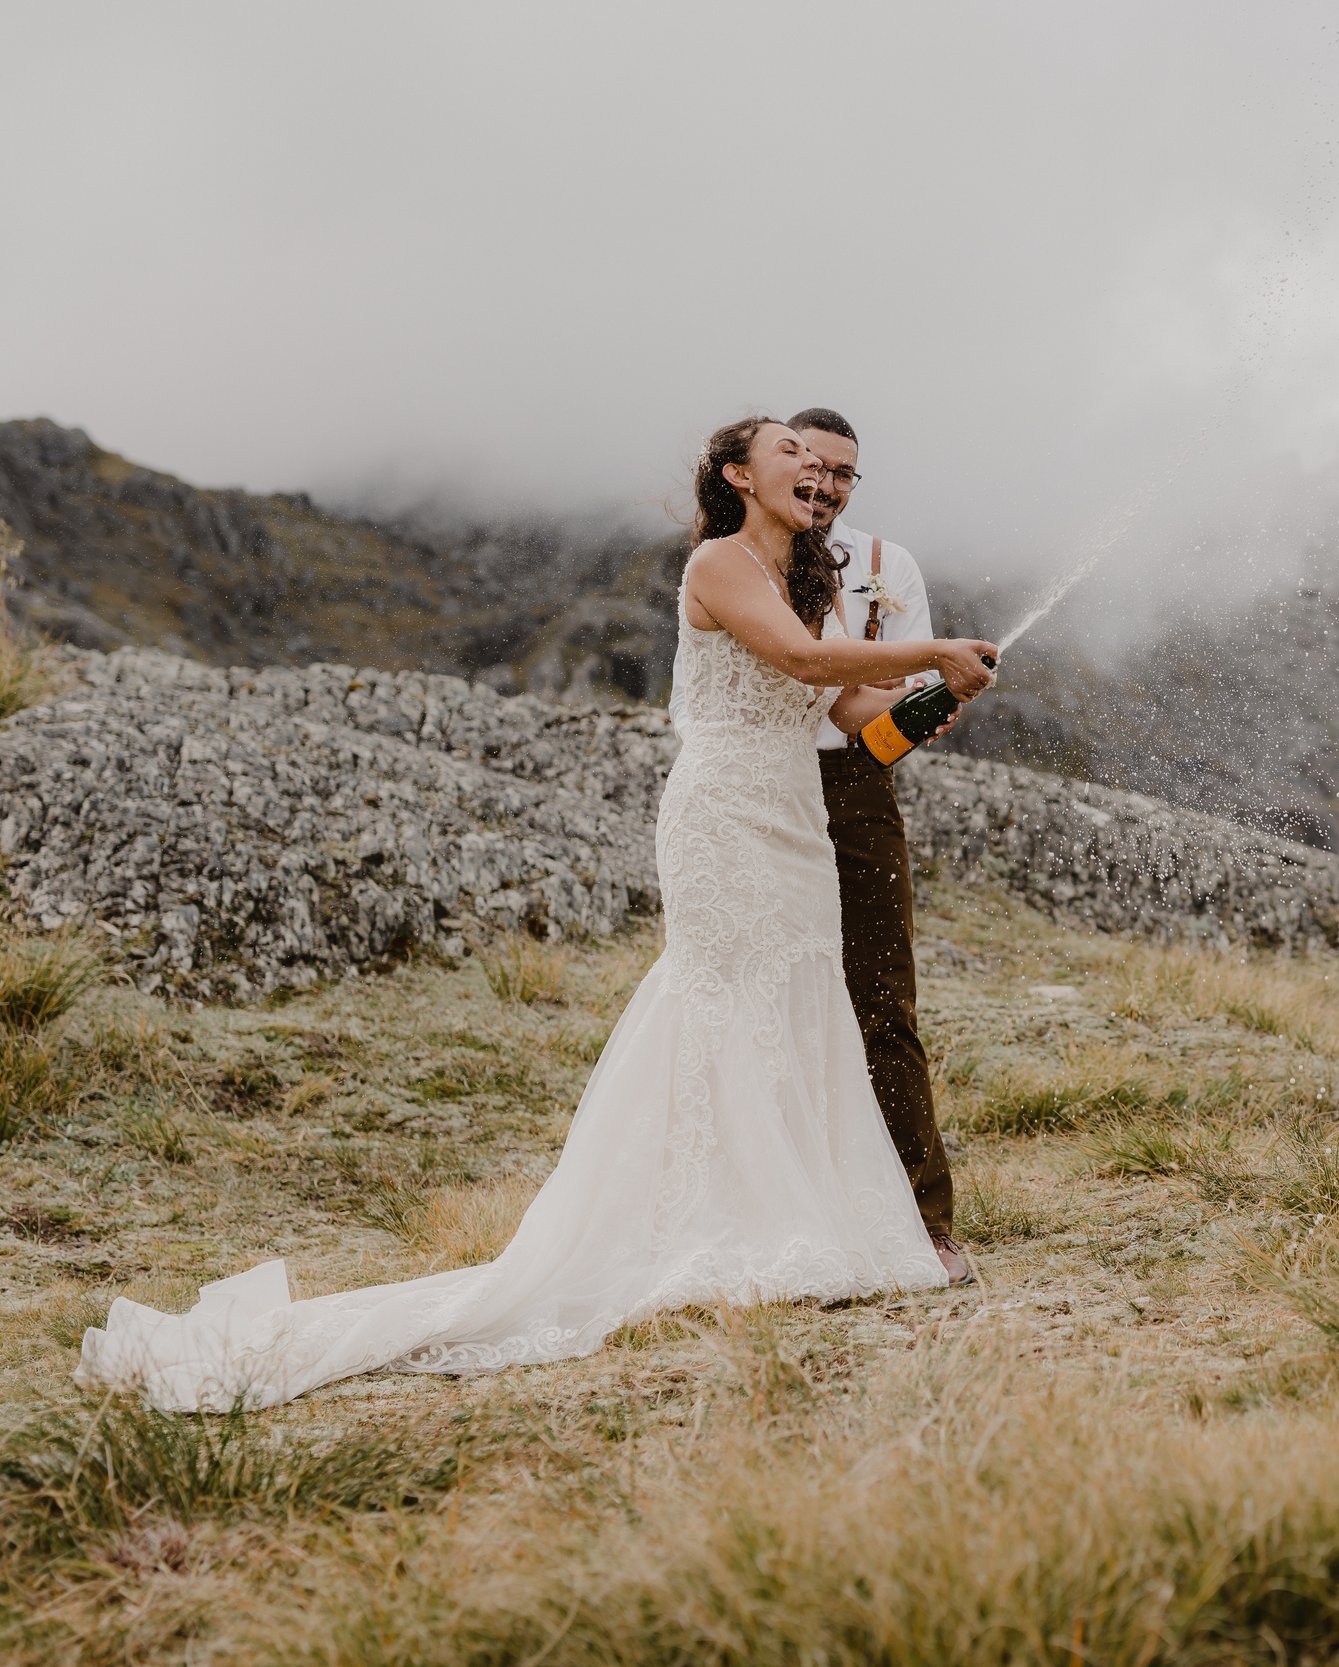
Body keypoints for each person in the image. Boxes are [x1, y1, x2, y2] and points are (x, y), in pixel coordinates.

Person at [77, 418, 1000, 1411]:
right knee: (725, 995)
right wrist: (936, 647)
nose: (813, 465)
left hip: (795, 823)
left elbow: (850, 714)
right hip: (725, 817)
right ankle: (709, 1222)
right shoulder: (720, 563)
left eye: (822, 461)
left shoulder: (807, 581)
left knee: (799, 999)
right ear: (739, 475)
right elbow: (804, 665)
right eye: (789, 449)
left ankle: (795, 1212)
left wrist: (927, 696)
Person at [787, 407, 968, 1285]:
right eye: (808, 462)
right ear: (769, 464)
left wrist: (921, 704)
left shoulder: (891, 568)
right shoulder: (737, 558)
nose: (824, 483)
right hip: (761, 781)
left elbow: (890, 717)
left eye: (843, 473)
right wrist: (876, 674)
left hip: (854, 788)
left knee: (880, 995)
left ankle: (919, 1218)